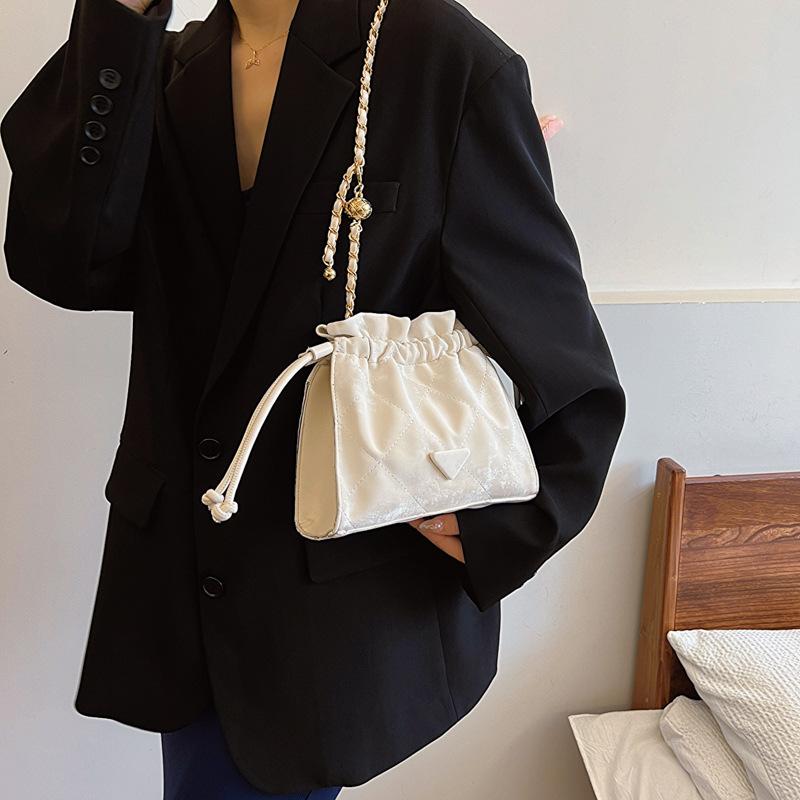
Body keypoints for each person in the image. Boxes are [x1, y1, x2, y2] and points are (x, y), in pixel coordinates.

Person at [0, 0, 627, 797]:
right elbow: (65, 264)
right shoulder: (164, 64)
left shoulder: (438, 56)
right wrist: (119, 20)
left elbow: (561, 351)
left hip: (337, 598)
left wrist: (510, 525)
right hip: (180, 579)